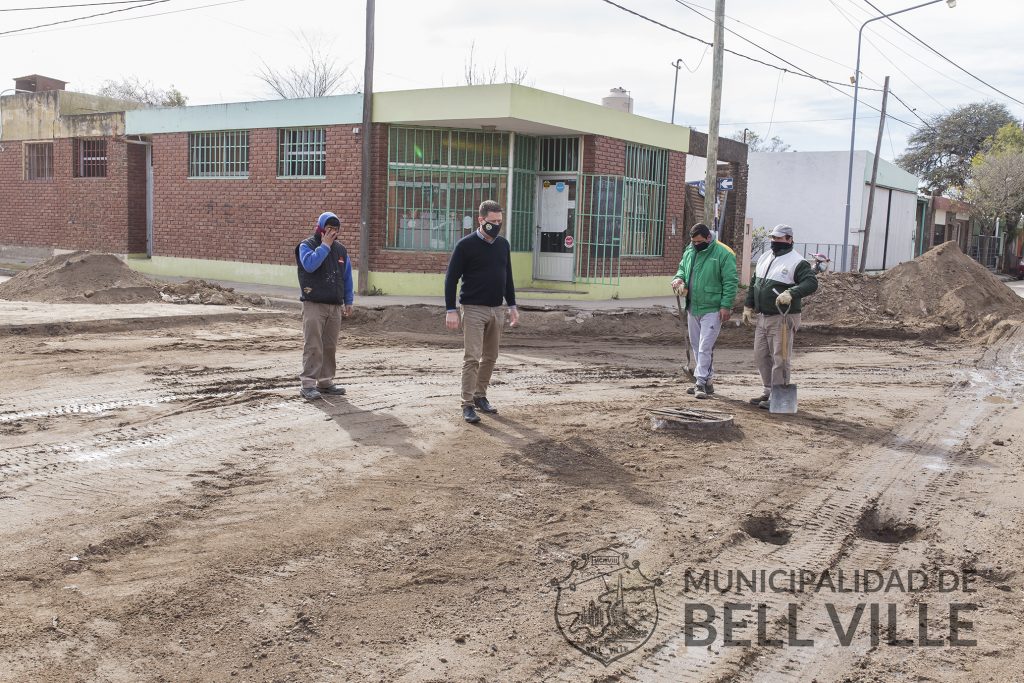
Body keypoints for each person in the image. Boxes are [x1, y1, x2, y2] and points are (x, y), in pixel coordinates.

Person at [444, 200, 520, 424]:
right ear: (480, 220)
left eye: (499, 222)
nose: (496, 226)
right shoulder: (465, 245)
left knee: (491, 356)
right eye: (492, 222)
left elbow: (508, 277)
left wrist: (512, 306)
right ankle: (467, 404)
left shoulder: (503, 245)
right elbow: (451, 278)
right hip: (473, 308)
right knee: (472, 358)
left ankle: (480, 396)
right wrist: (450, 309)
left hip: (496, 309)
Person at [741, 224, 818, 409]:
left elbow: (811, 282)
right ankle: (768, 391)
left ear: (790, 239)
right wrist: (748, 305)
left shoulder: (798, 262)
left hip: (783, 316)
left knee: (781, 357)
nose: (775, 241)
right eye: (773, 238)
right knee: (761, 356)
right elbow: (754, 282)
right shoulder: (765, 257)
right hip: (763, 316)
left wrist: (792, 292)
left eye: (779, 238)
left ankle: (778, 396)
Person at [670, 223, 738, 399]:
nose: (696, 244)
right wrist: (678, 280)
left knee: (705, 347)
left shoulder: (724, 254)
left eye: (699, 241)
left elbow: (730, 282)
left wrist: (726, 305)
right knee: (696, 345)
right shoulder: (690, 250)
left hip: (713, 308)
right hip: (693, 306)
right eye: (693, 241)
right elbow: (682, 269)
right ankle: (708, 381)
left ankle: (699, 382)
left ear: (708, 238)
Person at [295, 211, 354, 400]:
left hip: (334, 305)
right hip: (314, 303)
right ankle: (308, 384)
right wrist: (325, 246)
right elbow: (310, 265)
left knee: (329, 346)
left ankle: (326, 382)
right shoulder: (306, 246)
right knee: (313, 344)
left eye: (335, 229)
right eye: (328, 228)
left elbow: (347, 276)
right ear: (320, 228)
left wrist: (348, 300)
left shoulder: (341, 251)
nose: (332, 232)